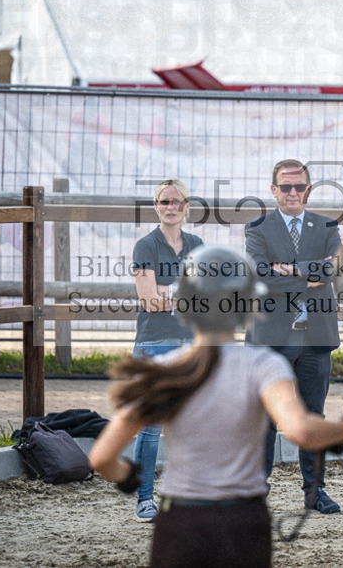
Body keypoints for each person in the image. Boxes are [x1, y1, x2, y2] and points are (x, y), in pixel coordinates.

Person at [89, 245, 343, 568]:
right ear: (248, 305)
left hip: (179, 522)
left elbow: (101, 457)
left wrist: (127, 476)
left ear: (184, 305)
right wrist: (342, 431)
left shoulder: (167, 369)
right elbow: (301, 430)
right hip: (242, 522)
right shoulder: (264, 365)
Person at [245, 158, 343, 514]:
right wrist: (309, 274)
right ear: (273, 190)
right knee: (266, 419)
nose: (292, 192)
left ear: (308, 189)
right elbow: (260, 274)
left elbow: (333, 268)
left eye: (299, 186)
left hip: (315, 337)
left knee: (313, 416)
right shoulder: (257, 228)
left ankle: (315, 492)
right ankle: (255, 492)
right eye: (285, 186)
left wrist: (289, 270)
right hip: (272, 338)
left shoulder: (327, 226)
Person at [127, 178, 203, 522]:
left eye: (176, 202)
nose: (170, 207)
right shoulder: (146, 246)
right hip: (154, 343)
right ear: (156, 207)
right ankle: (145, 498)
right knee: (152, 426)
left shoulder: (198, 244)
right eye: (163, 202)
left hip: (191, 342)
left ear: (187, 207)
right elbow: (149, 301)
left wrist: (169, 292)